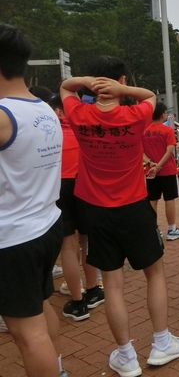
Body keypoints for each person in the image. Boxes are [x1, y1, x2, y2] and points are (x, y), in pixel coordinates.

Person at [60, 55, 179, 376]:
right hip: (134, 206)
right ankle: (162, 343)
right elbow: (149, 96)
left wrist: (87, 83)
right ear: (122, 81)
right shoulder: (135, 115)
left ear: (93, 82)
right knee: (154, 273)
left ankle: (126, 357)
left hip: (95, 209)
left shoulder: (79, 114)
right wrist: (123, 90)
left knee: (112, 284)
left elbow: (65, 87)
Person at [0, 24, 67, 377]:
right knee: (40, 311)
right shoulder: (41, 107)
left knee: (28, 334)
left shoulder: (3, 114)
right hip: (45, 224)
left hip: (13, 238)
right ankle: (58, 368)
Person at [49, 96, 104, 323]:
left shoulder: (48, 133)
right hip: (84, 183)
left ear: (56, 111)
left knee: (68, 245)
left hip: (58, 186)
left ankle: (78, 302)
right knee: (86, 240)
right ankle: (93, 289)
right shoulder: (83, 129)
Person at [142, 101, 179, 241]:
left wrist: (151, 163)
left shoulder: (144, 131)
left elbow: (141, 152)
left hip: (150, 171)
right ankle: (172, 229)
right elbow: (169, 151)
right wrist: (159, 166)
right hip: (167, 170)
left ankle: (153, 229)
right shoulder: (167, 130)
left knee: (152, 199)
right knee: (169, 199)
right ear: (163, 115)